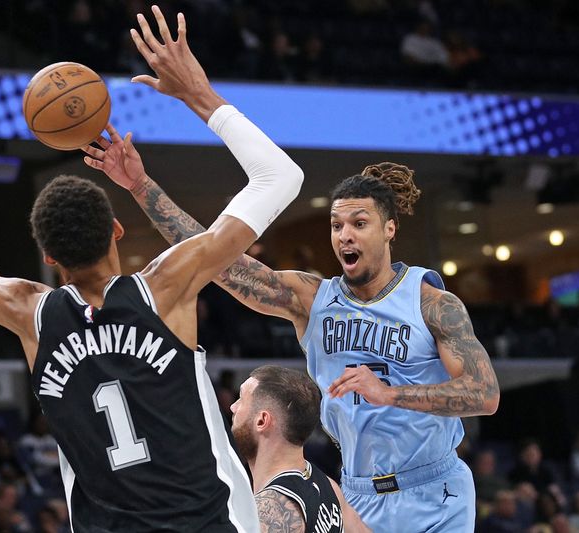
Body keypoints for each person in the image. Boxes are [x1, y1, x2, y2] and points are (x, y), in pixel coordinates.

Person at [0, 4, 304, 530]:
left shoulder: (28, 311)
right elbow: (279, 178)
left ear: (49, 257)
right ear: (117, 231)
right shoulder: (167, 285)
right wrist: (196, 94)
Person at [87, 143, 500, 530]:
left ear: (390, 228)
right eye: (337, 225)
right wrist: (141, 186)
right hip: (357, 492)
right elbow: (219, 263)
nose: (345, 236)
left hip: (435, 491)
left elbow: (484, 394)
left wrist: (390, 395)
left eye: (360, 223)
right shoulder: (312, 298)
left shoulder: (432, 303)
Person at [230, 365, 370, 533]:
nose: (233, 407)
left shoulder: (272, 511)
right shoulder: (328, 486)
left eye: (241, 399)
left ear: (261, 421)